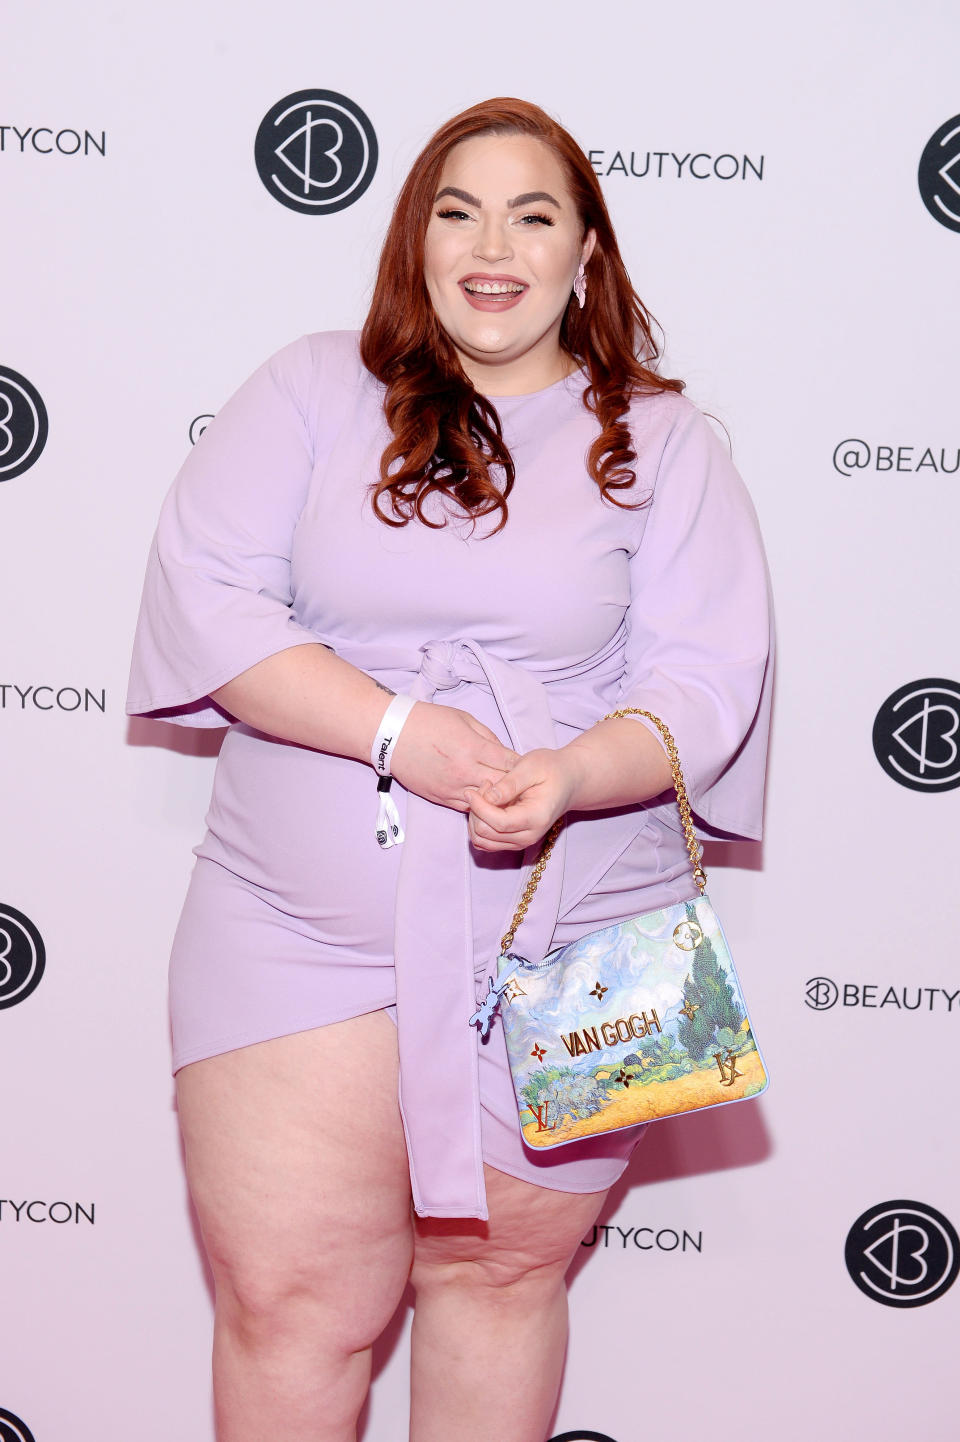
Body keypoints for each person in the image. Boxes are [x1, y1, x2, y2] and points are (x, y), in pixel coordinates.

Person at [126, 96, 773, 1442]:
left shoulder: (668, 442)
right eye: (457, 210)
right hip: (296, 934)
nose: (494, 246)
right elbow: (214, 602)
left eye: (533, 214)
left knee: (504, 1280)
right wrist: (399, 733)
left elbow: (705, 683)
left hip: (580, 940)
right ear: (413, 240)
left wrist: (575, 771)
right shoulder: (310, 388)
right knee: (293, 1301)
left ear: (586, 252)